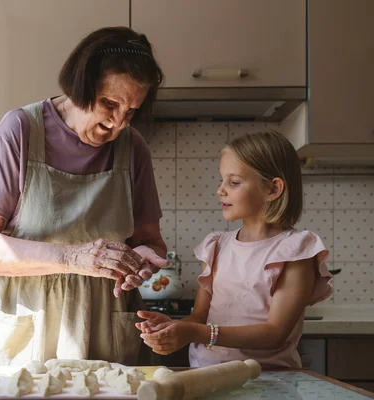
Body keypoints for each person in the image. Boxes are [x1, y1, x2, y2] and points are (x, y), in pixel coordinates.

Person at [0, 26, 168, 367]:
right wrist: (73, 258)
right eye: (108, 104)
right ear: (79, 86)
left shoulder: (134, 149)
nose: (118, 124)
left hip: (102, 324)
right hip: (23, 323)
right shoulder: (21, 130)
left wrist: (141, 260)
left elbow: (150, 242)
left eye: (130, 111)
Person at [136, 131, 333, 368]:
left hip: (267, 382)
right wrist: (172, 327)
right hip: (205, 374)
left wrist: (195, 333)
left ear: (273, 189)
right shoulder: (216, 246)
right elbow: (199, 317)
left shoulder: (295, 251)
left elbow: (275, 333)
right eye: (221, 180)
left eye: (234, 182)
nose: (221, 190)